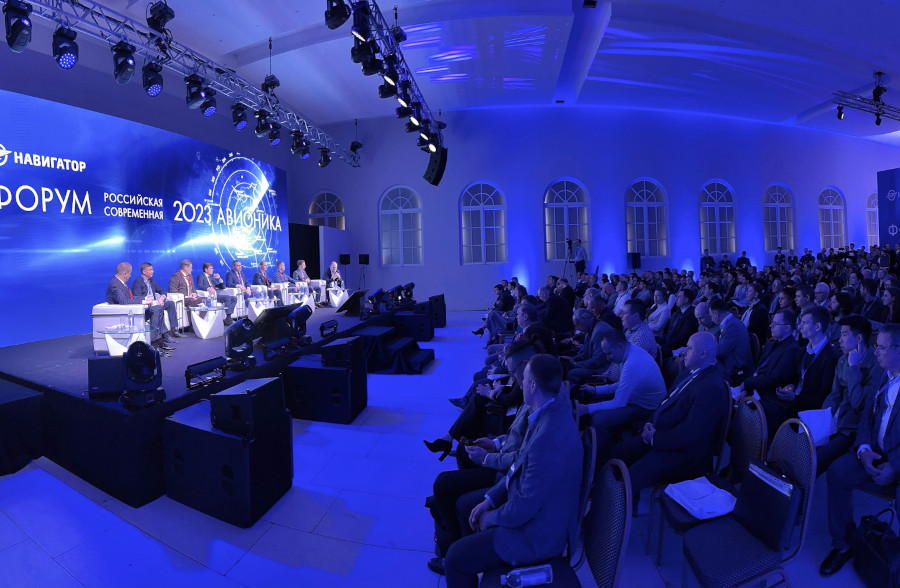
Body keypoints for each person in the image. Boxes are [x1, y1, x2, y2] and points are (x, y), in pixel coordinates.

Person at [443, 354, 582, 588]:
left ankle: (473, 560)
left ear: (533, 386)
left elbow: (524, 506)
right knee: (468, 509)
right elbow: (519, 463)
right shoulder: (549, 410)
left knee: (455, 559)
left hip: (537, 534)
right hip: (531, 511)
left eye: (523, 380)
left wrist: (490, 518)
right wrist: (489, 500)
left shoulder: (548, 437)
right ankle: (477, 558)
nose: (519, 384)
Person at [819, 324, 900, 577]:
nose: (876, 352)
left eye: (882, 348)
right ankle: (843, 544)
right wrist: (864, 449)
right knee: (838, 472)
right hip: (875, 450)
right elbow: (867, 415)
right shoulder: (882, 374)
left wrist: (895, 465)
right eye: (876, 346)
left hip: (897, 458)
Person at [608, 331, 729, 496]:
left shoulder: (711, 388)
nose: (683, 352)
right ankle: (609, 493)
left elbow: (691, 434)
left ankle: (618, 507)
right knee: (619, 453)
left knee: (633, 476)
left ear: (703, 353)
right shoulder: (690, 370)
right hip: (662, 434)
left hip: (684, 453)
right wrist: (650, 423)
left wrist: (655, 438)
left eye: (689, 348)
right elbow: (666, 401)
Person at [759, 305, 840, 439]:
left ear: (817, 327)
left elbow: (823, 396)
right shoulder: (802, 351)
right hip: (794, 404)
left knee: (762, 414)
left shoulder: (831, 357)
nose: (799, 326)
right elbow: (796, 378)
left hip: (809, 412)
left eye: (804, 322)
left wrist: (795, 398)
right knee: (758, 407)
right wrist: (790, 387)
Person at [818, 316, 883, 476]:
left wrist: (853, 367)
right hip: (835, 421)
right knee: (803, 447)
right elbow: (834, 395)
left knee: (818, 458)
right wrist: (822, 420)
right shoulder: (842, 360)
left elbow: (857, 402)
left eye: (844, 334)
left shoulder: (876, 364)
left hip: (852, 428)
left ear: (859, 338)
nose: (839, 340)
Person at [106, 262, 176, 354]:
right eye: (130, 274)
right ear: (125, 274)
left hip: (133, 312)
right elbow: (124, 301)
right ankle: (154, 345)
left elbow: (130, 298)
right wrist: (144, 302)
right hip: (128, 316)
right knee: (156, 310)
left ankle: (159, 342)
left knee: (158, 308)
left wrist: (145, 299)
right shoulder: (115, 284)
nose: (130, 276)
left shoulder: (119, 283)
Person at [131, 262, 182, 338]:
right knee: (159, 309)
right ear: (144, 272)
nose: (153, 271)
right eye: (150, 270)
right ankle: (164, 335)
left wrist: (162, 298)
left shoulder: (152, 281)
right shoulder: (138, 282)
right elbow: (136, 297)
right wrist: (148, 301)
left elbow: (162, 290)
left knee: (170, 303)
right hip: (147, 307)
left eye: (152, 269)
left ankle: (173, 330)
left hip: (155, 303)